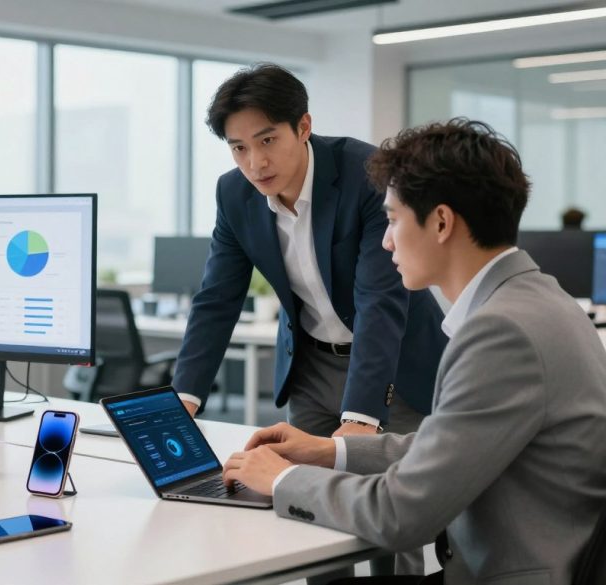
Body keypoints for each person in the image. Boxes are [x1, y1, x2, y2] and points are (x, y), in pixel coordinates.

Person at [221, 119, 606, 583]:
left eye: (392, 219)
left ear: (441, 222)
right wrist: (328, 451)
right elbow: (449, 444)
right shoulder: (541, 299)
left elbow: (399, 514)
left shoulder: (501, 334)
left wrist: (281, 479)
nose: (385, 241)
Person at [173, 63, 447, 438]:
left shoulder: (367, 174)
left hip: (392, 364)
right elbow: (217, 299)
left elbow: (379, 299)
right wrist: (183, 399)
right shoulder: (234, 194)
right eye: (239, 148)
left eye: (267, 140)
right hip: (311, 368)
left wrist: (361, 416)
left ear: (303, 127)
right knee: (301, 474)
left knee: (394, 472)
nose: (255, 163)